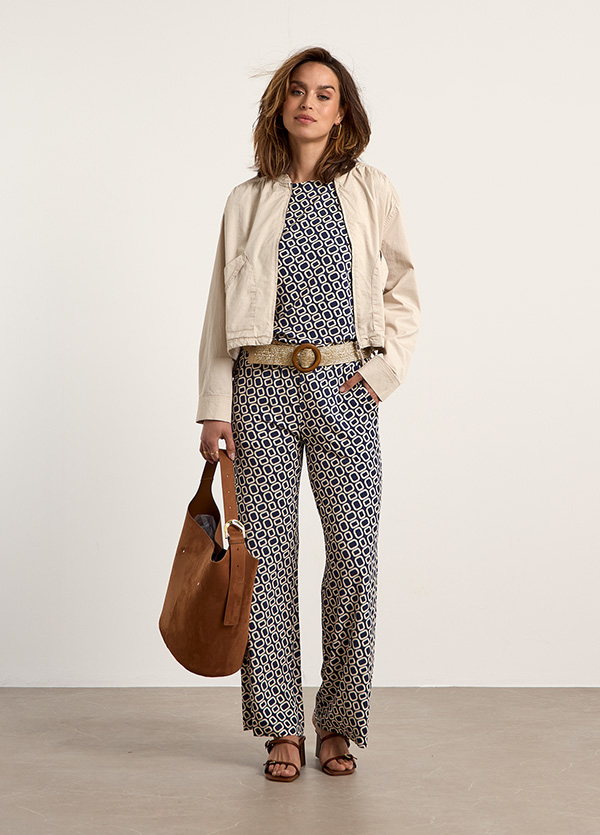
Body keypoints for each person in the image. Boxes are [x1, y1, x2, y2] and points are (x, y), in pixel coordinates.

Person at [195, 46, 421, 782]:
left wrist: (382, 372)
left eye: (324, 94)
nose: (309, 104)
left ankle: (339, 720)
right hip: (259, 388)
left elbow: (403, 289)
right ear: (280, 105)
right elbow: (219, 310)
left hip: (344, 387)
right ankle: (280, 727)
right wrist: (214, 407)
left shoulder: (372, 190)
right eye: (297, 91)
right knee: (266, 562)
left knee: (353, 554)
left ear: (342, 109)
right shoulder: (247, 199)